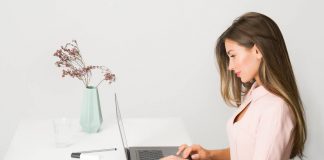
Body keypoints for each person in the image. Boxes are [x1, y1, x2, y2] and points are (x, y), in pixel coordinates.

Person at [161, 12, 307, 160]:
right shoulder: (255, 93)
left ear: (258, 51)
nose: (230, 66)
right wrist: (209, 155)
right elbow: (244, 151)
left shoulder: (276, 109)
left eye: (233, 55)